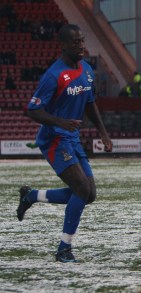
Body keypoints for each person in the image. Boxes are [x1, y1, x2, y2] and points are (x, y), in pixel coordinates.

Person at [16, 24, 113, 263]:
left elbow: (90, 103)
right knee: (81, 189)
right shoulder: (54, 75)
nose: (81, 45)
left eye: (82, 41)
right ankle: (64, 249)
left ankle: (32, 196)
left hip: (71, 138)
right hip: (54, 139)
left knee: (89, 194)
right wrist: (60, 122)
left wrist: (103, 132)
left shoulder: (87, 70)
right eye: (75, 42)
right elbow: (33, 109)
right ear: (63, 45)